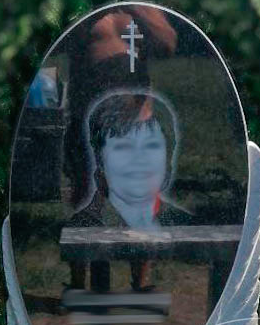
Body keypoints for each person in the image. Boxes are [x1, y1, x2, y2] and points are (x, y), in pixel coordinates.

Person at [68, 90, 192, 291]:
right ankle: (81, 286)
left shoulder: (175, 219)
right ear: (101, 160)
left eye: (151, 146)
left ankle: (139, 284)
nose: (138, 160)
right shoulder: (88, 218)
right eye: (123, 148)